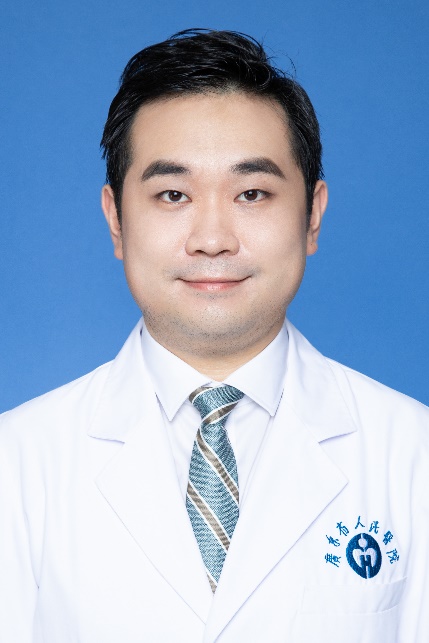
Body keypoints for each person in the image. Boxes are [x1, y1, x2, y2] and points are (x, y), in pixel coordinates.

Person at [0, 28, 428, 643]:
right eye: (172, 194)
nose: (211, 239)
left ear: (312, 215)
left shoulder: (414, 455)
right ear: (116, 220)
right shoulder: (18, 462)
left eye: (252, 193)